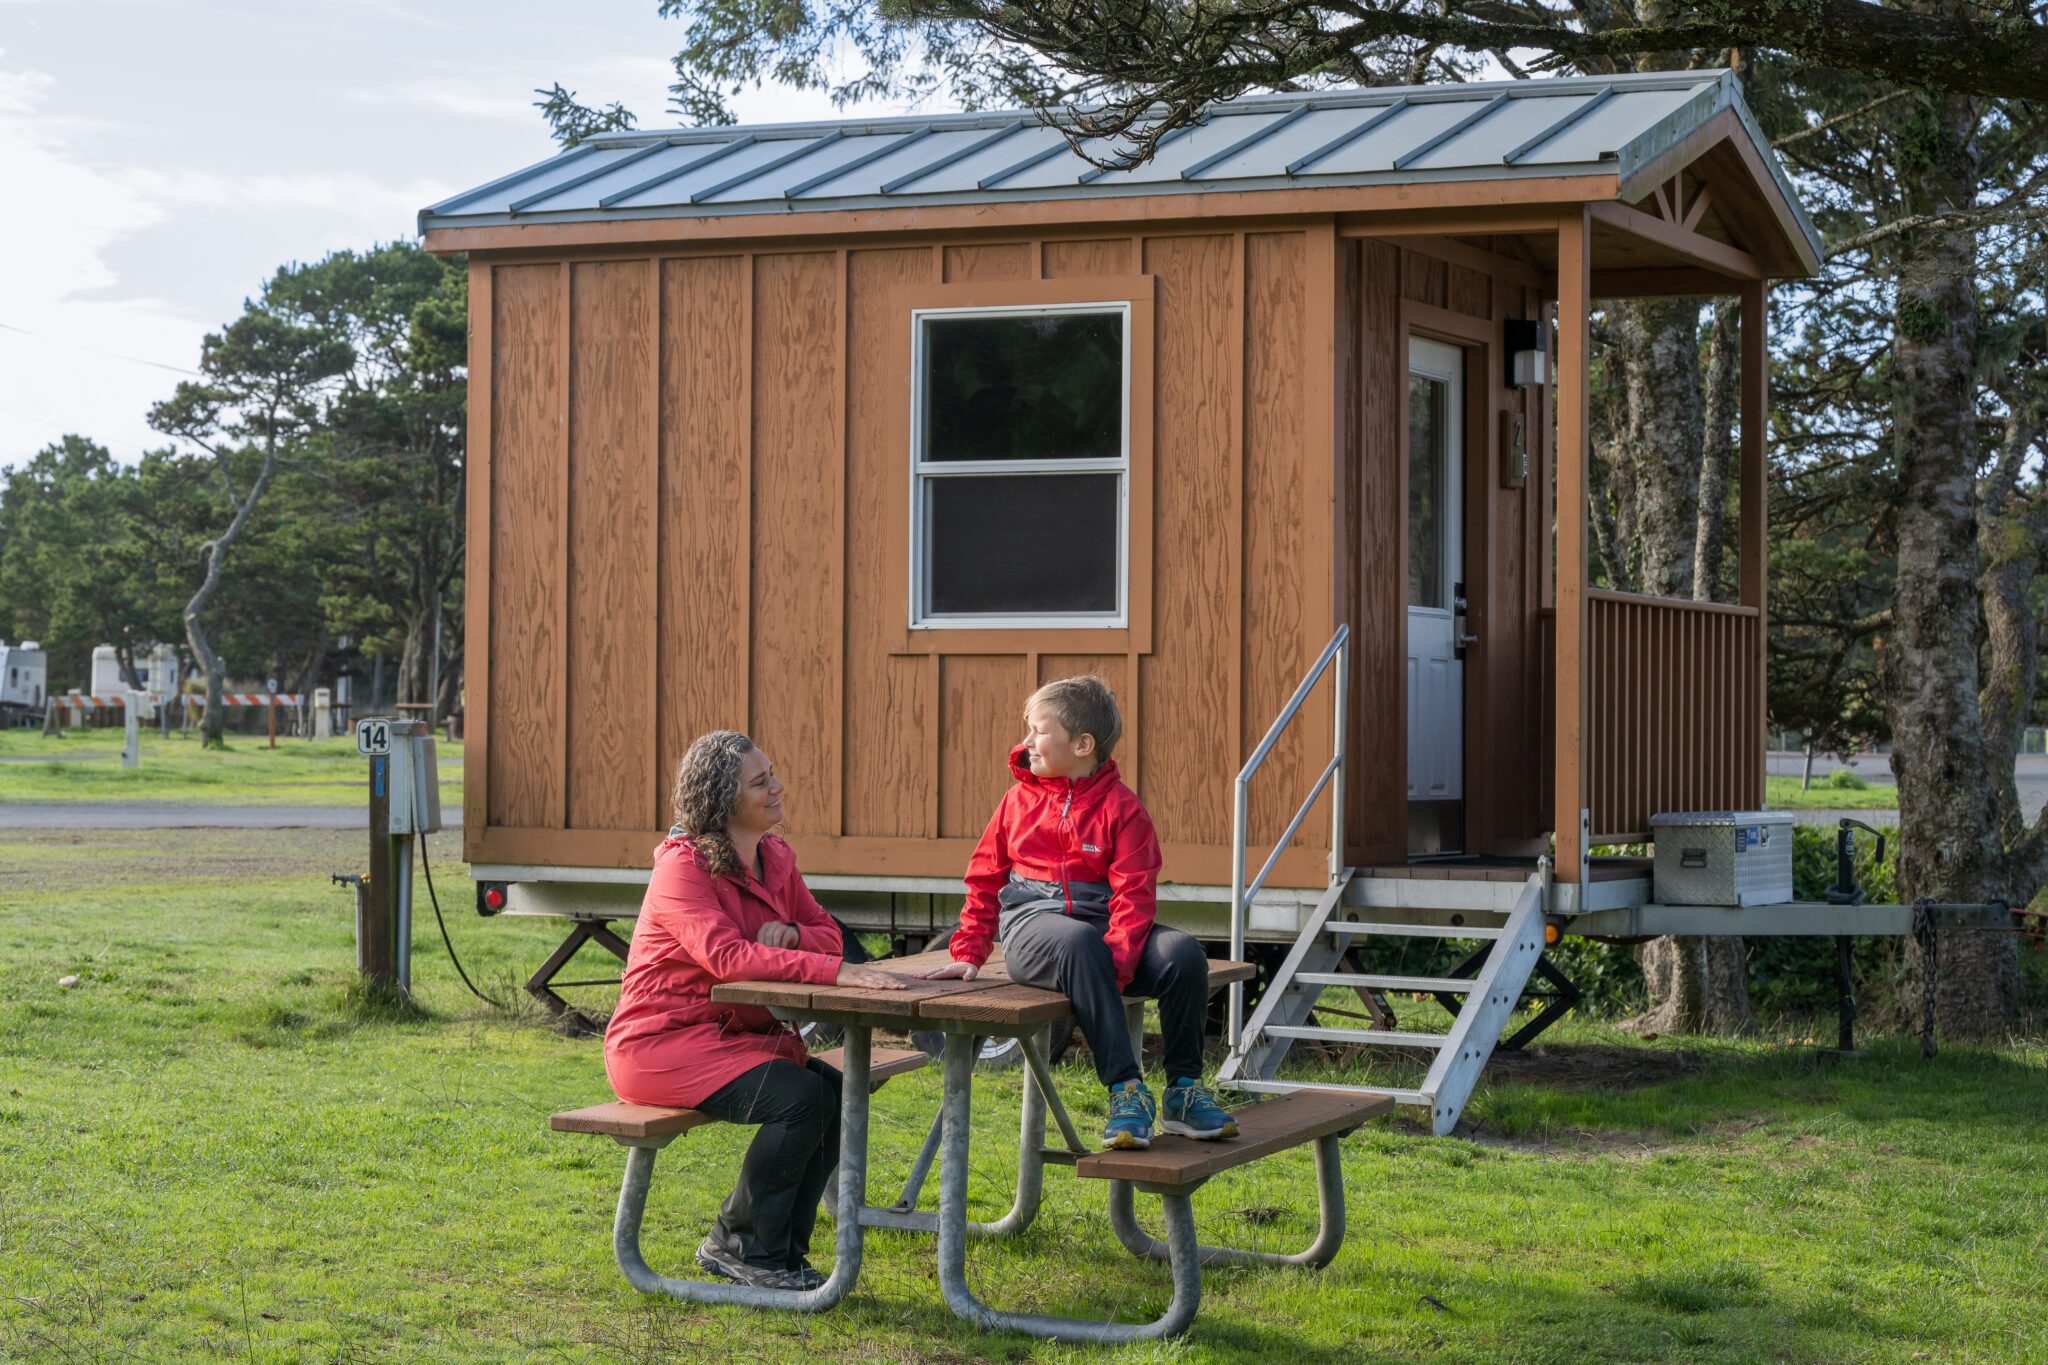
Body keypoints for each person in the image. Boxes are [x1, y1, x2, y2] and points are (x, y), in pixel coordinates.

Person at [605, 729, 905, 1290]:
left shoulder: (775, 858)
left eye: (773, 775)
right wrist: (833, 971)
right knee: (803, 1099)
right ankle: (740, 1245)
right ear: (723, 800)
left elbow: (827, 935)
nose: (777, 787)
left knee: (835, 1093)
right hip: (660, 1046)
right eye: (760, 781)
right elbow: (728, 957)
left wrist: (792, 933)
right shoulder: (682, 867)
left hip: (736, 1039)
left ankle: (780, 1254)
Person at [915, 676, 1238, 1150]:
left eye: (1039, 731)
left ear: (1083, 745)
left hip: (1102, 933)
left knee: (1183, 951)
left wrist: (1117, 967)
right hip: (1034, 930)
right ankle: (1126, 1091)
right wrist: (969, 952)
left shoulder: (1123, 810)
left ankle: (1184, 1093)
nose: (1026, 742)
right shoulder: (1015, 803)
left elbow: (1135, 894)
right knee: (1078, 941)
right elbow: (984, 879)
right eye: (1028, 730)